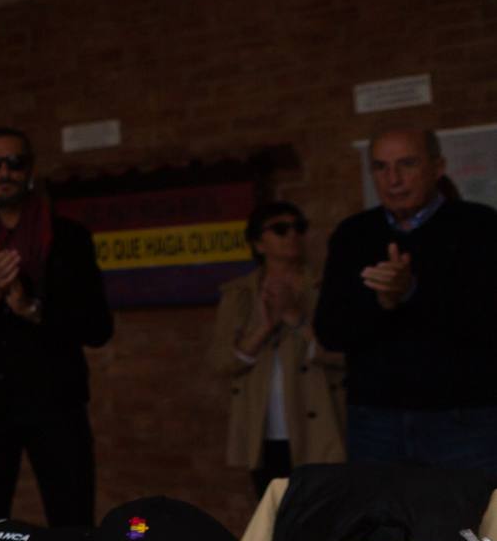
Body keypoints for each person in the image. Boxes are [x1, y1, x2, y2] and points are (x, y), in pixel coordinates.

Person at [0, 126, 114, 527]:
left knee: (73, 519)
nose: (4, 172)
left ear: (29, 168)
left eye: (15, 162)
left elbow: (99, 327)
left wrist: (33, 309)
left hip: (57, 401)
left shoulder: (69, 238)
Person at [315, 128, 497, 470]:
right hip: (375, 419)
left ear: (437, 167)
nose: (393, 179)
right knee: (382, 520)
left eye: (407, 164)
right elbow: (329, 330)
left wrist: (412, 292)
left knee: (471, 522)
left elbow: (486, 322)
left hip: (464, 418)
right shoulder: (353, 234)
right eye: (381, 167)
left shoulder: (480, 227)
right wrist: (382, 303)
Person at [212, 201, 346, 496]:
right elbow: (222, 362)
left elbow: (344, 353)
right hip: (263, 425)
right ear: (258, 243)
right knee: (272, 512)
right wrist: (264, 327)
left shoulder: (326, 284)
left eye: (299, 227)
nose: (292, 236)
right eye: (280, 229)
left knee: (320, 508)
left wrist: (297, 319)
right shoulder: (239, 293)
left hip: (317, 422)